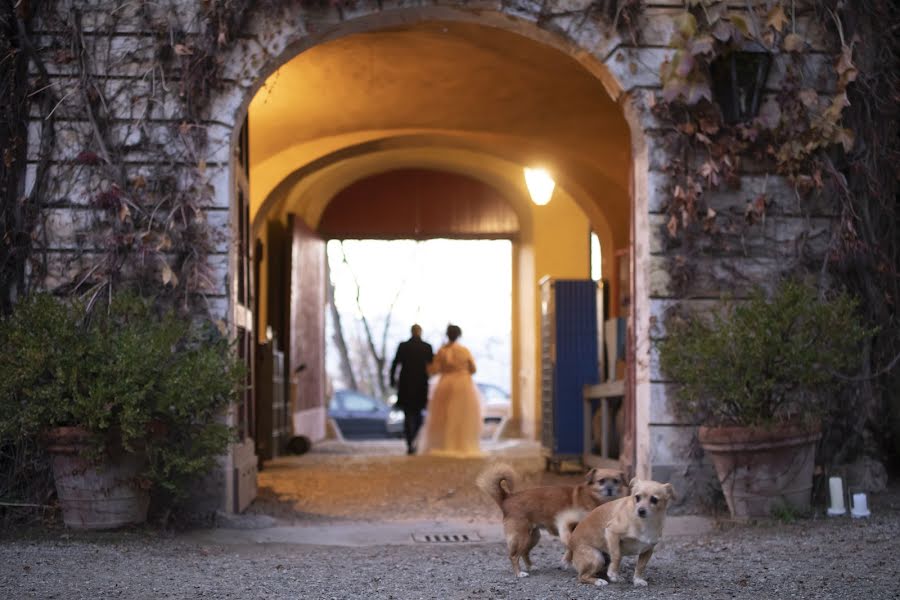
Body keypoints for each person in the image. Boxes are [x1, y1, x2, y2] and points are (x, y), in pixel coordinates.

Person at [418, 324, 483, 457]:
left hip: (445, 384)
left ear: (447, 335)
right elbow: (473, 369)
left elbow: (434, 370)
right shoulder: (464, 350)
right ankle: (462, 443)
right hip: (463, 385)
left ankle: (445, 443)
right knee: (463, 416)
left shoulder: (442, 351)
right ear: (458, 335)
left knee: (443, 416)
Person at [389, 324, 434, 455]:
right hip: (420, 384)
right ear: (420, 332)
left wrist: (392, 380)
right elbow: (432, 365)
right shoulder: (426, 347)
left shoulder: (403, 346)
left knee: (408, 414)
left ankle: (410, 442)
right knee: (418, 413)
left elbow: (395, 363)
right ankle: (413, 440)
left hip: (406, 384)